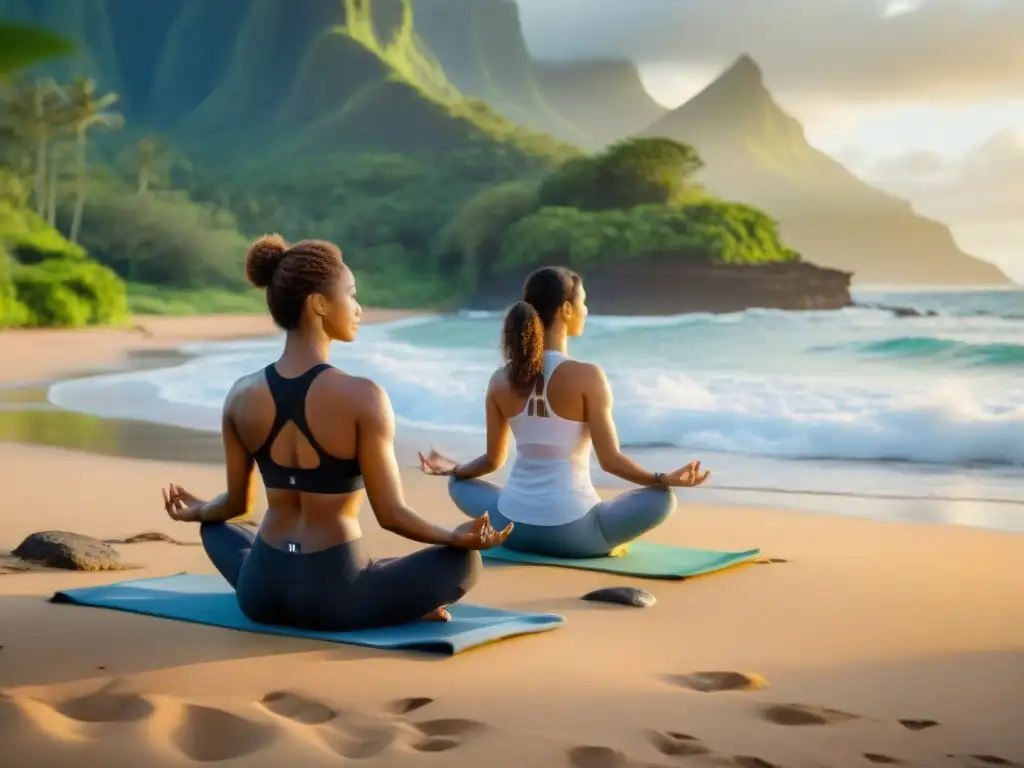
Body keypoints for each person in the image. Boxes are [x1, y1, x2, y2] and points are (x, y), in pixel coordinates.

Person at [161, 234, 512, 631]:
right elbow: (392, 515)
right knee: (464, 563)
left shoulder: (241, 394)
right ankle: (393, 602)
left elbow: (236, 504)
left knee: (217, 529)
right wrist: (455, 538)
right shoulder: (363, 396)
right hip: (335, 598)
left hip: (259, 592)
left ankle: (381, 591)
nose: (358, 308)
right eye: (352, 294)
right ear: (319, 304)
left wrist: (200, 512)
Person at [418, 266, 710, 559]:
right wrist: (662, 478)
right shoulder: (588, 376)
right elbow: (611, 461)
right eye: (583, 302)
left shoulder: (500, 379)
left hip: (512, 528)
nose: (586, 309)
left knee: (458, 484)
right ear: (567, 309)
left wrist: (454, 470)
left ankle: (474, 490)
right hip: (576, 535)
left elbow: (493, 460)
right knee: (663, 499)